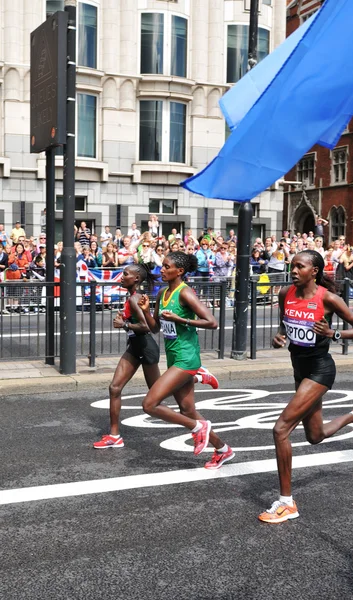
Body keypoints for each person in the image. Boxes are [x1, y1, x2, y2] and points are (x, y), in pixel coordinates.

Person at [258, 250, 353, 523]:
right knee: (315, 436)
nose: (294, 270)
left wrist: (334, 333)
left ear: (314, 271)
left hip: (320, 371)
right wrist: (280, 336)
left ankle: (287, 503)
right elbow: (284, 326)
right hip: (300, 370)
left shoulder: (328, 298)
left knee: (281, 429)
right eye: (292, 266)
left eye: (300, 266)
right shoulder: (285, 293)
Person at [94, 262, 220, 450]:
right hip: (135, 347)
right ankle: (114, 435)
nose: (121, 276)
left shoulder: (136, 298)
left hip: (146, 349)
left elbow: (146, 328)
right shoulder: (142, 296)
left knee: (157, 395)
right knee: (115, 388)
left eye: (125, 274)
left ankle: (197, 377)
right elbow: (154, 326)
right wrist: (128, 319)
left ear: (136, 279)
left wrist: (125, 325)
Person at [137, 252, 234, 469]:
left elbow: (212, 322)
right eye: (161, 266)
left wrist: (180, 318)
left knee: (150, 404)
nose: (161, 270)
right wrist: (145, 312)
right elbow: (155, 328)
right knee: (187, 410)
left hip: (186, 358)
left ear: (179, 271)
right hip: (174, 357)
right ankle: (222, 449)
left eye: (166, 266)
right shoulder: (163, 293)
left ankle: (197, 427)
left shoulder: (185, 293)